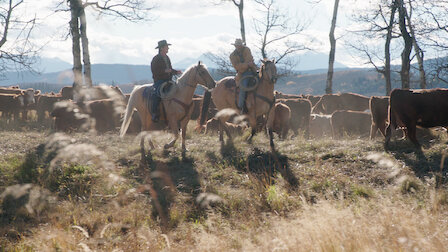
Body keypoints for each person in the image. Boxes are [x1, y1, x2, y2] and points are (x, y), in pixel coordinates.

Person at [150, 40, 182, 122]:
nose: (168, 48)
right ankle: (154, 113)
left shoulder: (167, 58)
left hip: (169, 80)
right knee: (157, 94)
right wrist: (165, 71)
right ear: (162, 48)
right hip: (159, 81)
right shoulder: (156, 59)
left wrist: (176, 72)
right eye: (166, 47)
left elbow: (170, 69)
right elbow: (154, 70)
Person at [229, 38, 257, 114]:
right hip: (242, 74)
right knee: (243, 87)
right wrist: (247, 65)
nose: (239, 47)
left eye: (240, 45)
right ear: (235, 46)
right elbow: (237, 66)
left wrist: (244, 65)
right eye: (237, 45)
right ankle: (241, 108)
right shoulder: (232, 56)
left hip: (253, 70)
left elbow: (249, 59)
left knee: (264, 81)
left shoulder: (247, 50)